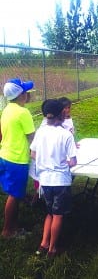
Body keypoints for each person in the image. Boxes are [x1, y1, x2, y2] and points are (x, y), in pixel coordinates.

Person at [30, 99, 77, 257]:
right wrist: (66, 162)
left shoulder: (40, 131)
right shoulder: (66, 135)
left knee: (49, 212)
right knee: (58, 215)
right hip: (61, 182)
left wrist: (46, 162)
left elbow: (33, 154)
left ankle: (43, 244)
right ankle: (52, 249)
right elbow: (73, 161)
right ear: (61, 114)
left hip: (45, 182)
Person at [0, 78, 35, 237]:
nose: (28, 94)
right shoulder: (23, 112)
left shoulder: (7, 109)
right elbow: (32, 138)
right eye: (26, 92)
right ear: (21, 95)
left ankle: (14, 225)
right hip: (17, 160)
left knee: (14, 193)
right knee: (14, 196)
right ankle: (8, 231)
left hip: (5, 156)